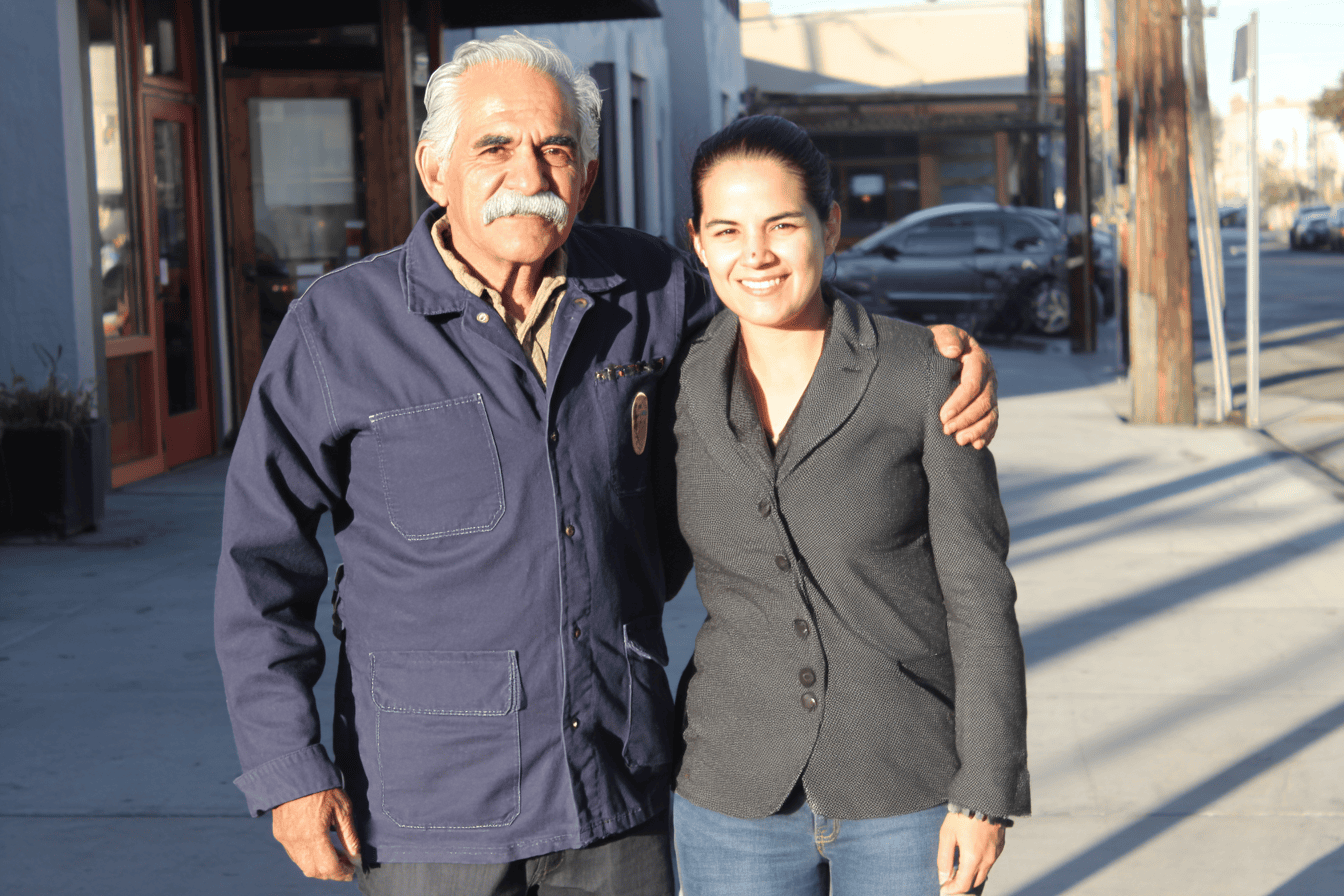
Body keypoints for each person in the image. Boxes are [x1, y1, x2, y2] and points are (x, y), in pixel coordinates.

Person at [213, 35, 1000, 896]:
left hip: (615, 789)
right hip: (431, 807)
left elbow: (775, 295)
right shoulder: (339, 328)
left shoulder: (650, 289)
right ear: (435, 169)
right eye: (495, 145)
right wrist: (289, 766)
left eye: (556, 147)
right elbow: (261, 564)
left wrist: (924, 354)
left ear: (586, 178)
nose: (530, 170)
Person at [657, 116, 1029, 896]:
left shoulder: (924, 375)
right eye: (727, 229)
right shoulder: (675, 388)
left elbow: (979, 596)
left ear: (829, 225)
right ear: (697, 241)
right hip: (732, 792)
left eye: (782, 224)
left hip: (906, 788)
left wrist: (987, 791)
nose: (754, 254)